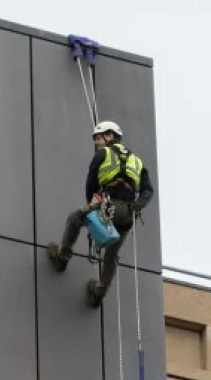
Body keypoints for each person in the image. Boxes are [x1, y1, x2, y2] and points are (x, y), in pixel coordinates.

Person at [47, 118, 155, 305]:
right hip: (127, 213)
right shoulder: (137, 161)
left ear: (110, 136)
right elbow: (148, 190)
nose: (95, 142)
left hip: (108, 206)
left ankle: (62, 257)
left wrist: (91, 202)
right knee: (112, 254)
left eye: (98, 137)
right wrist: (139, 205)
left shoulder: (103, 153)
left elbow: (91, 180)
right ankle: (99, 292)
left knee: (75, 218)